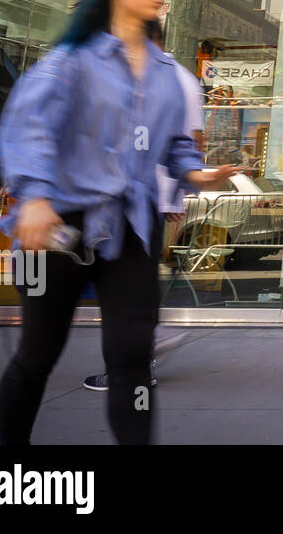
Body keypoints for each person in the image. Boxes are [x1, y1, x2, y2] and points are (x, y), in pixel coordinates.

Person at [0, 0, 238, 445]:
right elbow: (30, 127)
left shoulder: (168, 73)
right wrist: (36, 198)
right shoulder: (72, 61)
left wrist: (199, 173)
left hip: (132, 223)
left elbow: (174, 146)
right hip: (60, 222)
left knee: (131, 356)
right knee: (38, 353)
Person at [82, 20, 206, 391]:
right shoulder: (179, 78)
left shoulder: (167, 78)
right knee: (134, 284)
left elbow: (187, 141)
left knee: (128, 286)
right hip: (148, 195)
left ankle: (138, 361)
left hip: (146, 196)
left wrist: (173, 194)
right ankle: (139, 355)